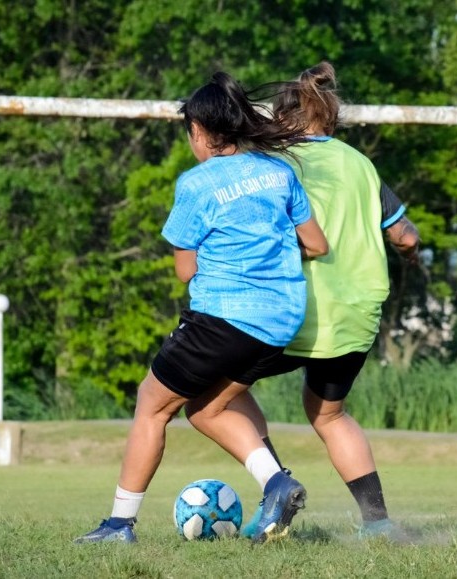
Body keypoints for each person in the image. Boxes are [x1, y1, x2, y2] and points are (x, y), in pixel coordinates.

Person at [74, 71, 328, 545]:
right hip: (279, 322)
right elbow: (315, 244)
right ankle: (277, 483)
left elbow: (186, 271)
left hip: (223, 316)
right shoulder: (279, 172)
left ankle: (118, 525)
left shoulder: (197, 184)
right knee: (207, 408)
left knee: (152, 404)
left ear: (200, 130)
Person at [184, 62, 421, 543]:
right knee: (329, 414)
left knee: (211, 393)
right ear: (329, 122)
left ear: (283, 120)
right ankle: (377, 523)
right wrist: (408, 253)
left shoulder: (275, 164)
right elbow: (405, 235)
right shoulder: (361, 164)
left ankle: (276, 485)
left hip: (290, 312)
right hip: (357, 315)